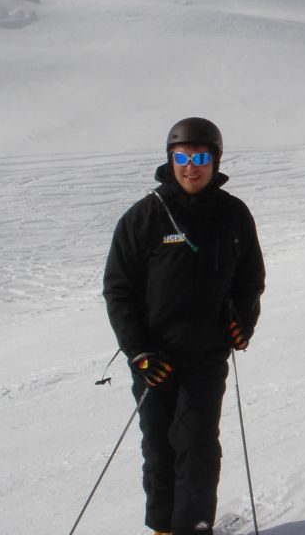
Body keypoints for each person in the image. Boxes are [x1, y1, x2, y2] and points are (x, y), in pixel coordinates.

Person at [103, 117, 265, 535]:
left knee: (196, 445)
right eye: (182, 157)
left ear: (215, 161)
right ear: (170, 159)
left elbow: (250, 278)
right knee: (158, 447)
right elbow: (118, 290)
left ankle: (193, 527)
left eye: (201, 158)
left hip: (206, 355)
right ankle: (162, 527)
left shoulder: (233, 214)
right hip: (154, 358)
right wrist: (137, 351)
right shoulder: (145, 216)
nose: (191, 167)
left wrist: (243, 320)